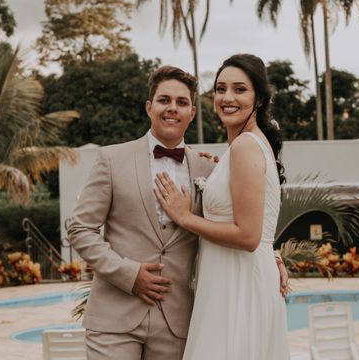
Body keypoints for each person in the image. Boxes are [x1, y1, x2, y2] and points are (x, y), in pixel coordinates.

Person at [67, 65, 287, 359]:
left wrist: (271, 254)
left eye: (182, 102)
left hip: (177, 324)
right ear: (149, 107)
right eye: (164, 100)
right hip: (114, 320)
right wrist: (129, 275)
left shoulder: (210, 169)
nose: (172, 108)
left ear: (192, 113)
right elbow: (80, 229)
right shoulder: (111, 159)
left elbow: (239, 219)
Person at [154, 54, 291, 360]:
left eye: (239, 89)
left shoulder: (245, 146)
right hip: (236, 276)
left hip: (236, 284)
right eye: (220, 89)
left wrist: (183, 216)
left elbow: (248, 235)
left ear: (258, 98)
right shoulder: (243, 146)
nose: (227, 98)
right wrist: (274, 255)